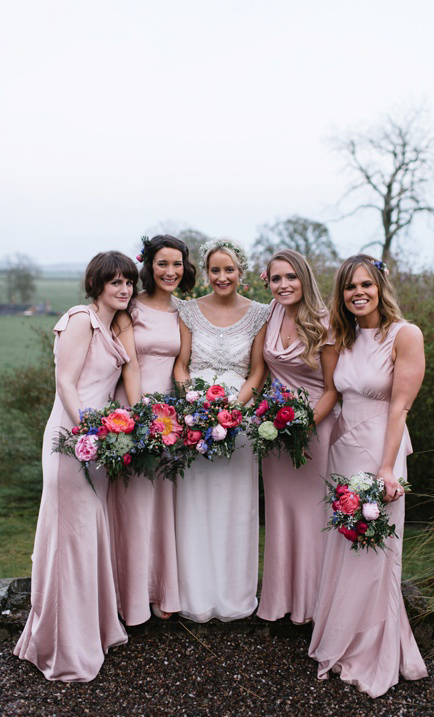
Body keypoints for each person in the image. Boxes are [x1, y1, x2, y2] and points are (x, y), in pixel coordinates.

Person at [14, 251, 138, 681]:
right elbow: (66, 381)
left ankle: (92, 630)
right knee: (70, 540)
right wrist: (88, 431)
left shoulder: (113, 324)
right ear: (96, 284)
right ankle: (63, 646)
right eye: (115, 282)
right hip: (71, 438)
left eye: (128, 282)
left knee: (87, 538)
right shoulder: (80, 318)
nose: (123, 289)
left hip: (98, 443)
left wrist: (111, 433)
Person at [308, 255, 428, 697]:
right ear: (341, 294)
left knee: (377, 553)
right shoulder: (341, 336)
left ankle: (374, 650)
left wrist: (385, 467)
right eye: (349, 287)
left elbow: (400, 405)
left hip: (382, 448)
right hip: (342, 450)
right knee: (344, 546)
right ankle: (341, 640)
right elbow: (330, 392)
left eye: (366, 284)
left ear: (380, 286)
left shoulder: (405, 334)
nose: (358, 293)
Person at [173, 238, 269, 621]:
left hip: (239, 418)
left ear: (241, 272)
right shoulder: (188, 311)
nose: (222, 276)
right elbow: (181, 364)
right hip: (195, 418)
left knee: (235, 506)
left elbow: (258, 370)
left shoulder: (260, 313)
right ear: (206, 272)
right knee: (194, 503)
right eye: (215, 270)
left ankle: (233, 594)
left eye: (229, 269)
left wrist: (233, 408)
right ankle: (193, 594)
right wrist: (194, 404)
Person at [107, 235, 196, 626]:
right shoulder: (131, 308)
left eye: (177, 264)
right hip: (134, 410)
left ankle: (161, 590)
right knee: (132, 502)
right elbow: (129, 365)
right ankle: (127, 596)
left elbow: (182, 367)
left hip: (170, 418)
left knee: (163, 502)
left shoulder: (185, 311)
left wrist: (189, 413)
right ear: (149, 266)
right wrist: (141, 414)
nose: (170, 271)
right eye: (163, 264)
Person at [255, 250, 339, 624]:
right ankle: (280, 599)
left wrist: (306, 425)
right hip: (274, 433)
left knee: (311, 514)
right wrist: (275, 424)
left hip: (316, 429)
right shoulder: (268, 314)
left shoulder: (325, 322)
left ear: (304, 278)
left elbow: (334, 389)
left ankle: (313, 602)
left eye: (290, 277)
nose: (283, 285)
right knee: (279, 513)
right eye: (275, 279)